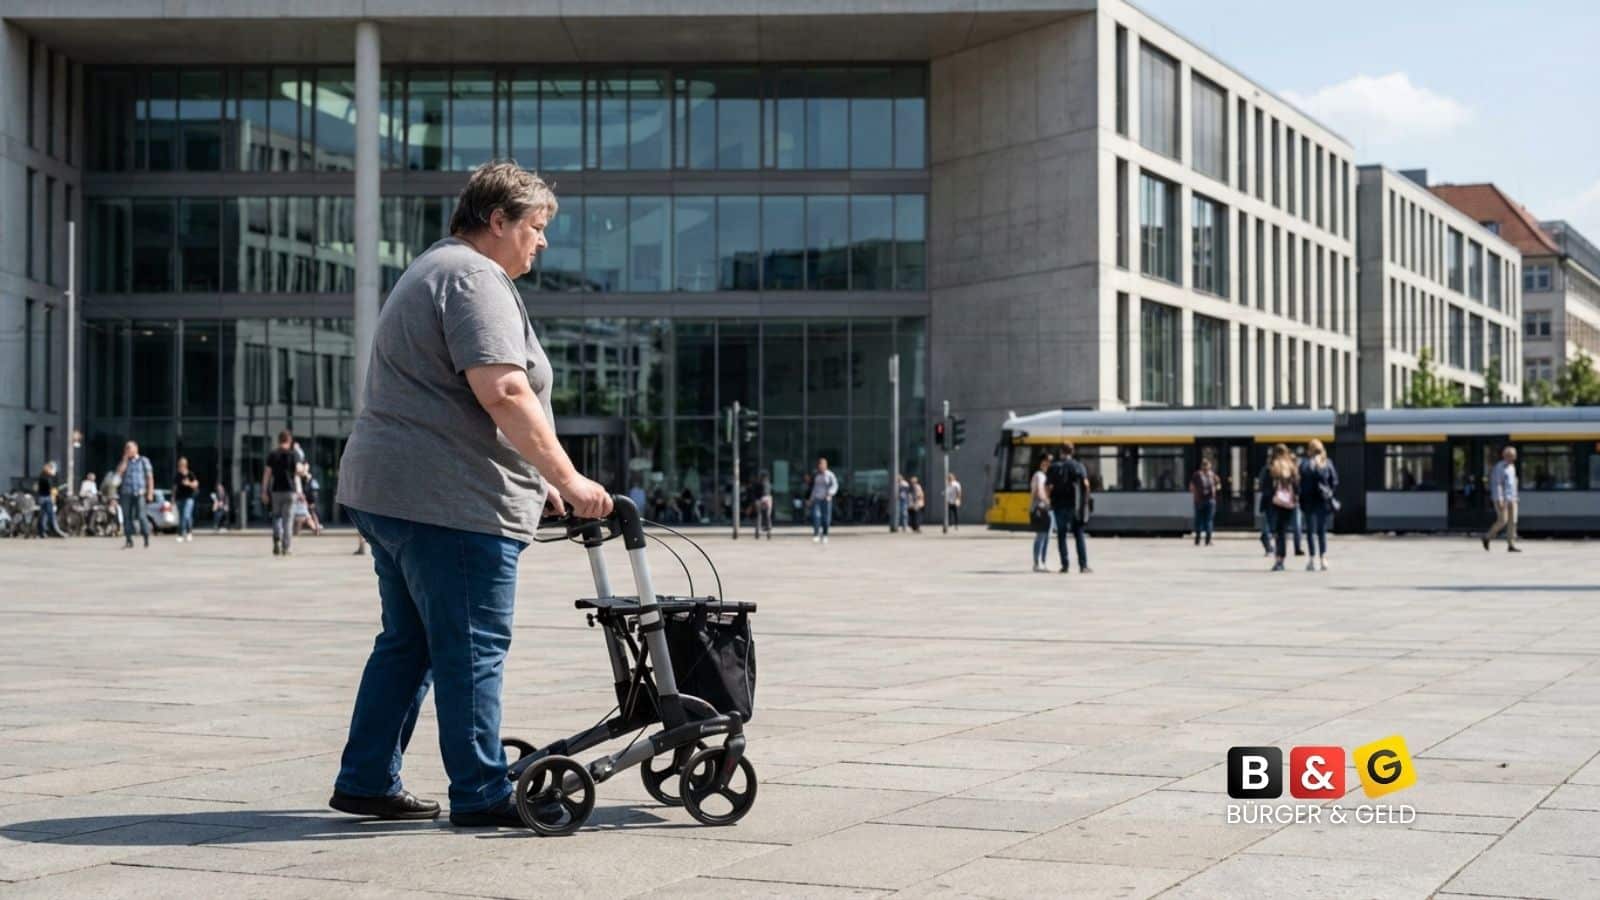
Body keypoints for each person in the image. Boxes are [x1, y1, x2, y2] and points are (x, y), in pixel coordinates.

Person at [330, 162, 612, 829]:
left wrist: (536, 477)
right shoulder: (473, 277)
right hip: (447, 500)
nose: (542, 241)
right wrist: (569, 479)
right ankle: (483, 792)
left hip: (395, 491)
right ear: (498, 220)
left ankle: (367, 777)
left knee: (410, 642)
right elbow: (504, 391)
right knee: (473, 645)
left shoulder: (435, 267)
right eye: (535, 227)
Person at [1046, 442, 1092, 573]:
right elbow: (1086, 485)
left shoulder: (1053, 467)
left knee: (1061, 535)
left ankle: (1065, 565)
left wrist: (1049, 501)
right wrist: (1085, 502)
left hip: (1058, 505)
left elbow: (1049, 487)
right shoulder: (1079, 466)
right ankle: (1083, 565)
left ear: (1061, 452)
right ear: (1072, 452)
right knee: (1079, 535)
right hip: (1075, 506)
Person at [1298, 438, 1339, 571]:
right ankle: (1322, 558)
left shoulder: (1306, 463)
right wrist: (1329, 492)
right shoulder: (1326, 463)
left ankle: (1312, 559)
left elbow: (1300, 481)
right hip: (1319, 501)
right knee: (1320, 530)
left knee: (1312, 531)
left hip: (1312, 501)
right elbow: (1334, 481)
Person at [262, 430, 300, 556]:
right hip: (290, 491)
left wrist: (264, 491)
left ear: (279, 440)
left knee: (277, 517)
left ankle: (277, 538)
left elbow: (267, 474)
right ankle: (286, 547)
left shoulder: (273, 454)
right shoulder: (293, 454)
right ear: (289, 440)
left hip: (276, 491)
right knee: (288, 521)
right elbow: (298, 471)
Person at [1264, 443, 1300, 572]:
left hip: (1274, 503)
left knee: (1277, 533)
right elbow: (1297, 485)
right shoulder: (1292, 467)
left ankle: (1277, 559)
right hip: (1289, 503)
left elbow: (1264, 485)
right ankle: (1281, 559)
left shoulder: (1272, 467)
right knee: (1284, 532)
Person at [115, 441, 155, 549]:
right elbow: (118, 474)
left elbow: (149, 477)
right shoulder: (124, 462)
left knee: (142, 516)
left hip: (140, 492)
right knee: (127, 517)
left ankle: (146, 537)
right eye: (126, 448)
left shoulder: (143, 461)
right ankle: (129, 540)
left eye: (129, 448)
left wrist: (150, 493)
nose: (127, 450)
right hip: (126, 493)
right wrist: (124, 460)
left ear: (136, 449)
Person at [1483, 445, 1521, 553]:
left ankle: (1511, 545)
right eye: (1512, 456)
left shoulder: (1512, 467)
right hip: (1503, 499)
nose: (1514, 458)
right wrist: (1499, 499)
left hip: (1512, 498)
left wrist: (1516, 496)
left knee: (1513, 522)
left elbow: (1513, 483)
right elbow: (1497, 484)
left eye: (1514, 455)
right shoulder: (1499, 467)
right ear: (1505, 456)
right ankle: (1487, 537)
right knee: (1503, 521)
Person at [1030, 453, 1053, 572]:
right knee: (1041, 535)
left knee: (1045, 536)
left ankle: (1042, 562)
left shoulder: (1044, 476)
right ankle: (1037, 563)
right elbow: (1039, 492)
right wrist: (1047, 502)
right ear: (1042, 462)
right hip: (1040, 509)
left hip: (1044, 509)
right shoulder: (1039, 475)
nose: (1050, 463)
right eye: (1048, 461)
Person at [1190, 457, 1219, 547]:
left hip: (1199, 501)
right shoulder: (1212, 475)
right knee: (1209, 520)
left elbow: (1191, 487)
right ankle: (1208, 540)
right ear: (1209, 466)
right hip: (1210, 501)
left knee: (1198, 521)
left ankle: (1197, 540)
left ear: (1201, 466)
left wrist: (1196, 497)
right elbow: (1218, 486)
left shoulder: (1196, 475)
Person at [809, 457, 838, 543]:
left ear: (826, 465)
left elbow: (835, 485)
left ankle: (825, 535)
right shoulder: (816, 475)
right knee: (816, 516)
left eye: (822, 464)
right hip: (817, 499)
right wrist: (811, 499)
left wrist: (830, 494)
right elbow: (814, 488)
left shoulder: (830, 475)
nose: (821, 466)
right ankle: (816, 535)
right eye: (819, 464)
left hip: (826, 499)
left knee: (826, 518)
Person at [174, 457, 200, 543]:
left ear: (185, 465)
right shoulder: (177, 475)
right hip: (179, 498)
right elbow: (174, 487)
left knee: (186, 515)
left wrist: (188, 483)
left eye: (182, 464)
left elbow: (196, 484)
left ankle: (182, 534)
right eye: (180, 464)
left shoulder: (190, 474)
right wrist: (172, 498)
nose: (181, 466)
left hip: (189, 498)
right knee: (183, 517)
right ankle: (187, 532)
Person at [35, 462, 60, 539]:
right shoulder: (45, 476)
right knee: (51, 515)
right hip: (46, 497)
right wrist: (53, 491)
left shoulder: (44, 475)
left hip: (44, 497)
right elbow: (49, 487)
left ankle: (42, 532)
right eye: (52, 468)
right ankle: (55, 530)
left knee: (43, 515)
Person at [754, 470, 774, 539]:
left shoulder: (758, 483)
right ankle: (769, 532)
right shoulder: (768, 483)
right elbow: (770, 492)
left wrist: (756, 501)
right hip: (767, 498)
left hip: (759, 499)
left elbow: (755, 493)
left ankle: (757, 532)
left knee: (759, 515)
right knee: (768, 516)